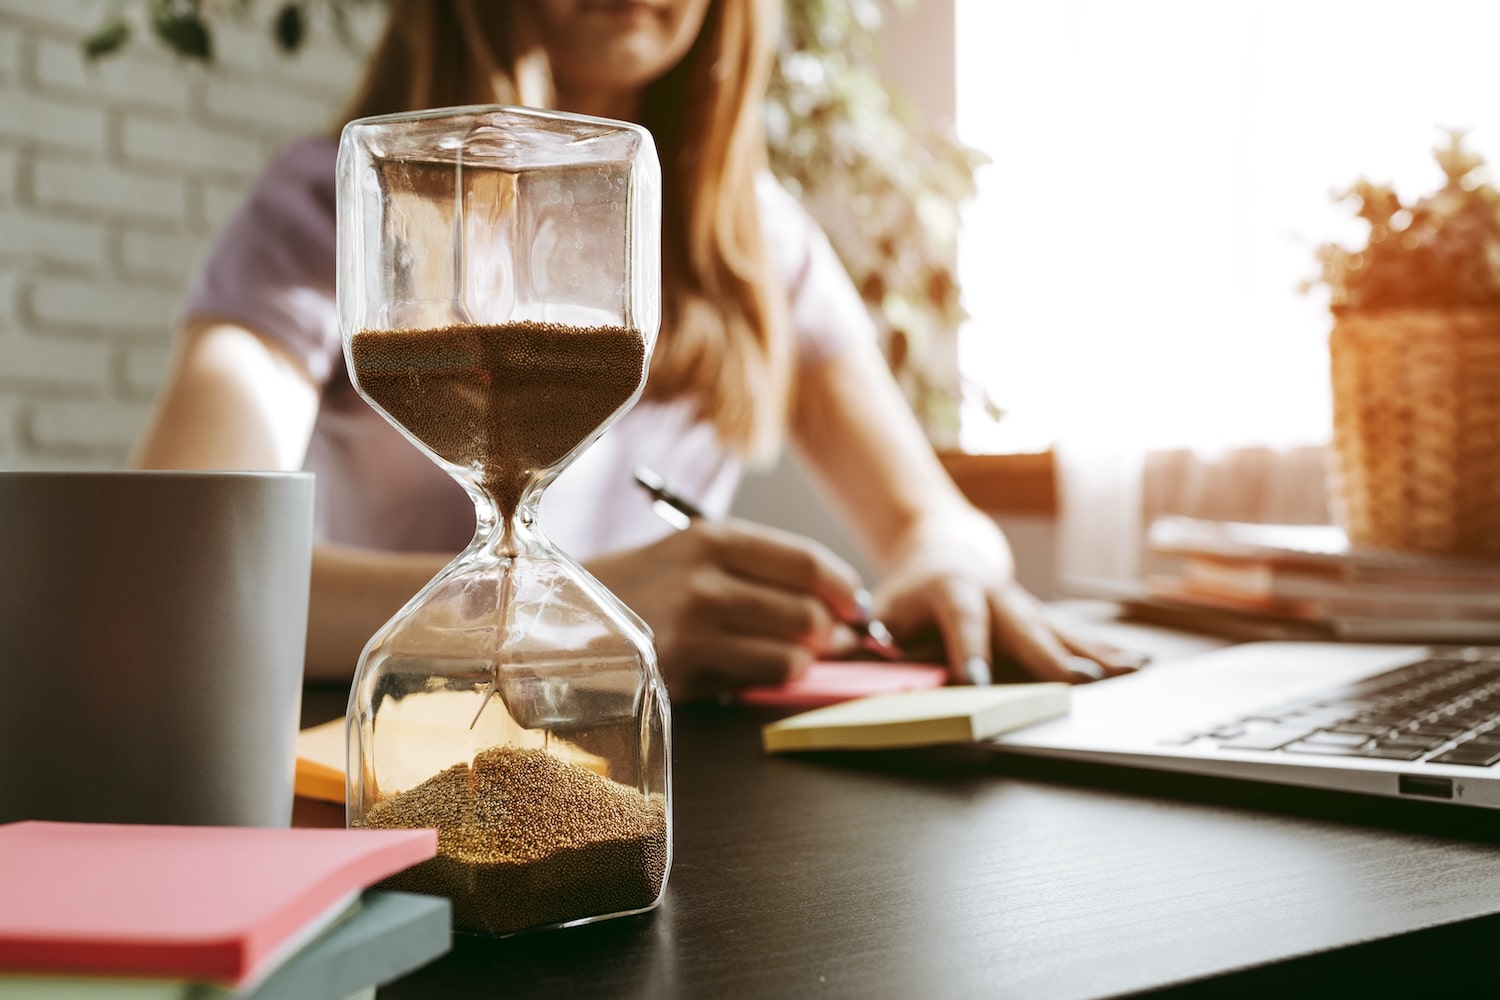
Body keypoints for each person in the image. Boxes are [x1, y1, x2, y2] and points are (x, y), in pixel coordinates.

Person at [132, 0, 1142, 701]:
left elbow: (932, 516)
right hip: (405, 725)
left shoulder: (751, 237)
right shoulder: (334, 209)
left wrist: (944, 566)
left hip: (690, 760)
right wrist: (571, 612)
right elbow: (184, 553)